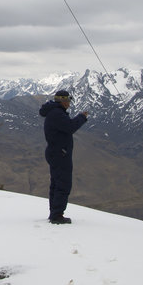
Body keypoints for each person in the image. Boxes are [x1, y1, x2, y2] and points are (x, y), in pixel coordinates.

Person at [38, 89, 89, 224]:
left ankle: (55, 212)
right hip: (60, 154)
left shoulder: (54, 112)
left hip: (56, 152)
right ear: (62, 101)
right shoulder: (57, 114)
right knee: (63, 184)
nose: (69, 103)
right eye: (68, 100)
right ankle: (57, 215)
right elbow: (70, 127)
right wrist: (82, 117)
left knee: (56, 183)